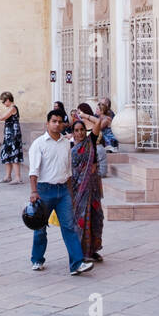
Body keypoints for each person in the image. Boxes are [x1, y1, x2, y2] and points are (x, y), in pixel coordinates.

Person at [28, 110, 94, 276]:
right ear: (48, 123)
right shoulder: (39, 144)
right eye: (54, 121)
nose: (57, 124)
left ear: (63, 124)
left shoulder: (66, 143)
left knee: (69, 226)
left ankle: (77, 264)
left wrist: (70, 194)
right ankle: (37, 259)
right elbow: (33, 171)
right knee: (40, 227)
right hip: (44, 190)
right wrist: (34, 191)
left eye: (60, 121)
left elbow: (68, 170)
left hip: (63, 190)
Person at [70, 117, 104, 263]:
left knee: (96, 219)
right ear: (73, 133)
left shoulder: (91, 142)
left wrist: (83, 115)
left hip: (93, 188)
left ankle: (94, 250)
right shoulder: (71, 149)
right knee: (82, 221)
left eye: (82, 129)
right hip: (78, 190)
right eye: (76, 131)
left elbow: (98, 123)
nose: (80, 133)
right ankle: (81, 252)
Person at [0, 91, 22, 183]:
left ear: (8, 100)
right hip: (9, 135)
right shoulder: (10, 108)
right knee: (7, 154)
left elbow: (1, 118)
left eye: (3, 101)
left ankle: (17, 177)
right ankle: (8, 176)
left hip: (13, 135)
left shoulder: (13, 108)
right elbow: (2, 116)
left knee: (14, 154)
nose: (3, 104)